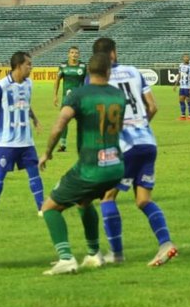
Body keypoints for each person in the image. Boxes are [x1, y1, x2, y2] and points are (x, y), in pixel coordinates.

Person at [38, 52, 126, 275]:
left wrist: (47, 152)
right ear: (108, 71)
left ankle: (66, 258)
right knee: (84, 202)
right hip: (116, 167)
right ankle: (94, 254)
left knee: (49, 208)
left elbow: (60, 124)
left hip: (90, 168)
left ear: (88, 71)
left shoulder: (79, 95)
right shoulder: (118, 95)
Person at [93, 37, 178, 267]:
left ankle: (117, 254)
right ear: (114, 52)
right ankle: (165, 243)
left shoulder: (99, 79)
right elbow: (153, 106)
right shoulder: (134, 71)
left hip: (123, 146)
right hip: (148, 143)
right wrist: (140, 125)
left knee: (107, 196)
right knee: (142, 200)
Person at [0, 51, 45, 219]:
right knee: (0, 174)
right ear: (18, 66)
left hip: (26, 141)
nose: (31, 67)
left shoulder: (29, 84)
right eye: (28, 64)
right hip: (6, 142)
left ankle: (41, 208)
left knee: (34, 173)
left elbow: (25, 105)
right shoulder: (1, 86)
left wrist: (35, 120)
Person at [52, 46, 86, 152]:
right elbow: (57, 81)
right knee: (64, 121)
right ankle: (63, 144)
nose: (74, 54)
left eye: (76, 53)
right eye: (72, 52)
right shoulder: (63, 66)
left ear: (78, 54)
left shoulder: (83, 66)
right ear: (68, 54)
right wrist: (55, 95)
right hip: (66, 99)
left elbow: (88, 81)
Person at [177, 53, 190, 120]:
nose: (186, 58)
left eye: (187, 57)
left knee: (188, 100)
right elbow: (179, 75)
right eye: (185, 57)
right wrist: (175, 84)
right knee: (181, 100)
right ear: (183, 58)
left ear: (189, 58)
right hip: (182, 87)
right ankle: (183, 116)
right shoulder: (180, 66)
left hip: (188, 87)